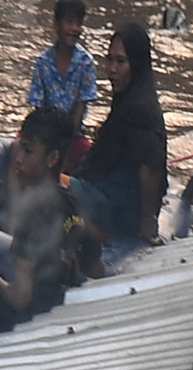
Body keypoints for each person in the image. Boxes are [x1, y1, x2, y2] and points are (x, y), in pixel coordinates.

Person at [0, 106, 84, 324]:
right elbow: (95, 265)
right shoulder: (72, 202)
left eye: (28, 151)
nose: (18, 158)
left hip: (42, 316)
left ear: (52, 158)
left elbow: (20, 299)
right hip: (68, 305)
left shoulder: (32, 214)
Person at [68, 20, 168, 244]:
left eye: (121, 61)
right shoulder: (128, 100)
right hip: (108, 195)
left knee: (49, 184)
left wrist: (147, 221)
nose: (112, 69)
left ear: (137, 64)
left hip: (117, 210)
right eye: (110, 59)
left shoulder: (142, 110)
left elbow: (151, 168)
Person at [28, 0, 98, 131]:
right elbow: (38, 106)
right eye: (69, 22)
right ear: (56, 25)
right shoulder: (43, 62)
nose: (74, 28)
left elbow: (81, 106)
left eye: (79, 23)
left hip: (74, 133)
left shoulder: (86, 63)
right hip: (45, 132)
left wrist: (67, 140)